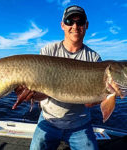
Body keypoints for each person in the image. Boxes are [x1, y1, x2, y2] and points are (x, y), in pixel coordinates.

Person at [15, 5, 102, 150]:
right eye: (69, 21)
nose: (75, 26)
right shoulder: (48, 51)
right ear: (62, 25)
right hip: (49, 120)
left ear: (86, 25)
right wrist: (30, 94)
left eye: (80, 22)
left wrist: (100, 97)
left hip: (80, 124)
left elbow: (89, 103)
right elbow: (42, 92)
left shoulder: (93, 58)